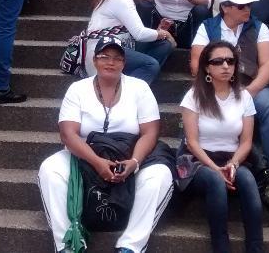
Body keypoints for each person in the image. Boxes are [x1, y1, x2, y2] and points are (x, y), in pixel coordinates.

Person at [37, 36, 174, 253]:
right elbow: (68, 134)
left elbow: (150, 133)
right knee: (50, 169)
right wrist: (97, 162)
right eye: (104, 56)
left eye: (117, 58)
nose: (111, 62)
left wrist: (135, 162)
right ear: (94, 60)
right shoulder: (77, 89)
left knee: (160, 176)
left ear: (124, 63)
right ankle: (68, 245)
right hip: (84, 156)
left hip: (128, 154)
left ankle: (131, 246)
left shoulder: (139, 88)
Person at [191, 0, 269, 195]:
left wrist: (249, 92)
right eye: (242, 6)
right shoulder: (208, 27)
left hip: (249, 86)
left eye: (249, 5)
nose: (248, 9)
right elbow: (197, 63)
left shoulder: (259, 27)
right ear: (225, 7)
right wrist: (217, 89)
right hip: (215, 87)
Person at [178, 41, 264, 253]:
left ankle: (256, 247)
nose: (225, 66)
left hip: (233, 157)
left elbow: (246, 142)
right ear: (207, 67)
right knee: (215, 180)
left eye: (230, 61)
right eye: (218, 61)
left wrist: (233, 164)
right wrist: (215, 168)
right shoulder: (193, 96)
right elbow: (192, 142)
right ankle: (221, 247)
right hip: (199, 159)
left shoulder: (244, 96)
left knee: (248, 180)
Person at [85, 0, 175, 85]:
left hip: (120, 44)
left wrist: (158, 31)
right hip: (103, 51)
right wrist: (164, 33)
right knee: (151, 65)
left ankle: (130, 79)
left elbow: (135, 31)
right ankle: (123, 91)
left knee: (163, 45)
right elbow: (139, 34)